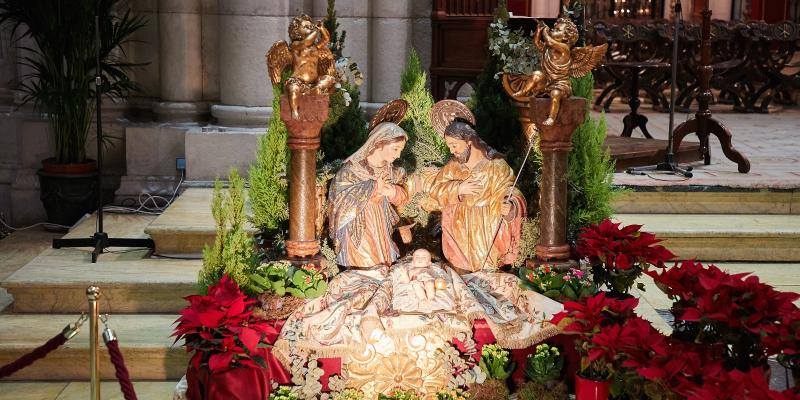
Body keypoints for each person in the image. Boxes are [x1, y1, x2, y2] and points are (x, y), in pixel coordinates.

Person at [429, 120, 526, 273]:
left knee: (488, 273)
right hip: (459, 229)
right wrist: (458, 188)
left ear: (468, 141)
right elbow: (435, 189)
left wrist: (510, 205)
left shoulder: (496, 164)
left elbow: (510, 189)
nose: (451, 150)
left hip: (487, 227)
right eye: (449, 146)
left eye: (454, 145)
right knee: (462, 273)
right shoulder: (453, 166)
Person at [328, 122, 408, 269]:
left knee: (383, 265)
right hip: (360, 225)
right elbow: (339, 198)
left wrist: (393, 192)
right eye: (395, 149)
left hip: (381, 224)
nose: (398, 155)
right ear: (379, 144)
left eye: (400, 150)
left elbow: (403, 195)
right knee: (366, 266)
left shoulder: (390, 170)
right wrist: (374, 187)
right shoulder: (352, 170)